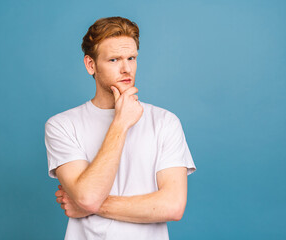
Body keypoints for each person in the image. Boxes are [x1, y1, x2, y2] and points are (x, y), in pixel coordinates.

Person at [44, 16, 196, 240]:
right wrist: (121, 122)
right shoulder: (61, 125)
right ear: (90, 65)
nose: (126, 69)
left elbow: (172, 206)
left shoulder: (165, 121)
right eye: (114, 60)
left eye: (131, 58)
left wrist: (89, 206)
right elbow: (88, 196)